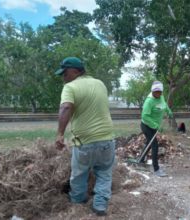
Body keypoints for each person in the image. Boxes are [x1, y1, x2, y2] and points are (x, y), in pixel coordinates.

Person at [54, 57, 115, 216]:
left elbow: (66, 107)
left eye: (65, 73)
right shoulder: (100, 83)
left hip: (84, 141)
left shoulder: (70, 87)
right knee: (104, 172)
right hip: (107, 139)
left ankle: (78, 202)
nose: (63, 77)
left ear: (75, 71)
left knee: (79, 173)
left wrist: (60, 134)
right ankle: (100, 205)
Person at [140, 81, 173, 177]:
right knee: (154, 145)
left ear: (162, 92)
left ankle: (141, 160)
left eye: (159, 91)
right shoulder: (149, 101)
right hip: (146, 126)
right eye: (155, 91)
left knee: (149, 144)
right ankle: (156, 169)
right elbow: (145, 116)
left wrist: (168, 111)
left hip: (154, 126)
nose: (157, 93)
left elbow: (164, 105)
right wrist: (155, 125)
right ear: (152, 91)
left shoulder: (161, 97)